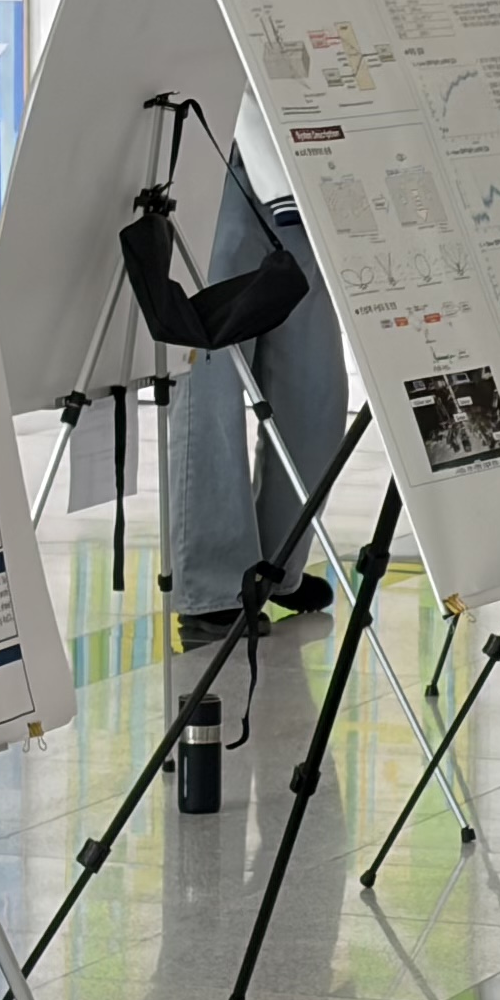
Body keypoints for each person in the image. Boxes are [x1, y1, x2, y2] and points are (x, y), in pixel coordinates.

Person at [159, 104, 345, 631]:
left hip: (303, 160)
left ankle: (277, 565)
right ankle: (213, 586)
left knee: (316, 393)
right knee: (211, 386)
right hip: (220, 149)